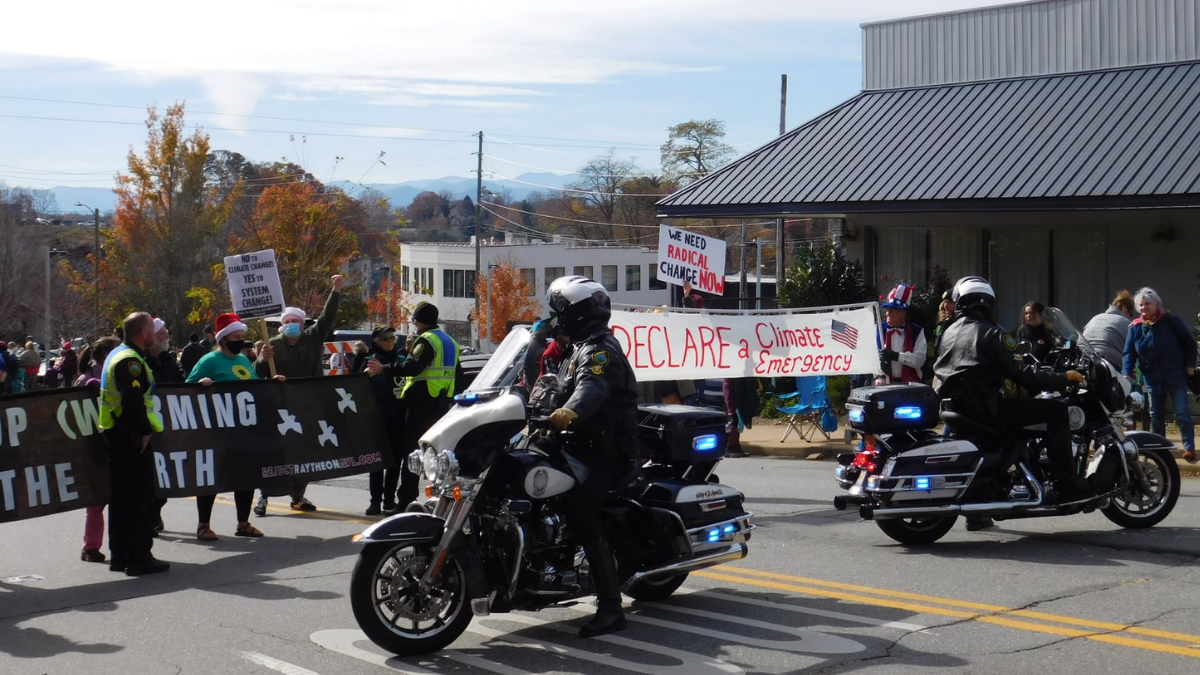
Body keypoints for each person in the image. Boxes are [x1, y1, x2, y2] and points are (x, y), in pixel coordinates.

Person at [934, 276, 1090, 531]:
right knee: (1056, 411)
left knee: (1019, 418)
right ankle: (1067, 483)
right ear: (986, 302)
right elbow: (1020, 372)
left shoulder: (948, 331)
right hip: (985, 409)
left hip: (955, 408)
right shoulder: (992, 332)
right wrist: (1063, 379)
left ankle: (980, 509)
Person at [542, 275, 639, 638]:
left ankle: (611, 608)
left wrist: (570, 412)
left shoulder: (599, 350)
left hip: (606, 452)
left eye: (560, 312)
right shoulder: (575, 347)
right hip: (580, 446)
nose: (556, 319)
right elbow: (550, 388)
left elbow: (591, 387)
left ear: (577, 314)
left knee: (583, 514)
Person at [253, 274, 344, 514]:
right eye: (288, 320)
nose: (292, 324)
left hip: (308, 405)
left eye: (297, 321)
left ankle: (298, 496)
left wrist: (335, 290)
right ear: (282, 324)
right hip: (280, 407)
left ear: (303, 325)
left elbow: (327, 318)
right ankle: (263, 496)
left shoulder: (313, 338)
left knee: (305, 453)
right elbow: (258, 373)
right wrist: (264, 358)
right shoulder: (271, 343)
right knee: (276, 453)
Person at [187, 313, 282, 539]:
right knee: (213, 477)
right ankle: (203, 524)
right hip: (218, 431)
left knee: (246, 475)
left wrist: (272, 383)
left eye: (242, 336)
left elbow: (253, 387)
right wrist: (201, 385)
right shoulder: (209, 361)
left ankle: (243, 523)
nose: (241, 341)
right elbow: (187, 388)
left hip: (245, 430)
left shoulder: (242, 360)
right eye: (236, 336)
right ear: (224, 339)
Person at [366, 301, 460, 514]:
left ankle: (406, 500)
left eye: (415, 320)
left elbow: (412, 367)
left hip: (421, 403)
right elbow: (459, 374)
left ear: (419, 320)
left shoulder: (426, 340)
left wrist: (384, 368)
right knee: (435, 453)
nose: (414, 325)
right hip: (441, 404)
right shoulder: (450, 342)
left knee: (413, 454)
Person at [97, 312, 169, 576]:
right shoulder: (130, 361)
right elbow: (134, 399)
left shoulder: (118, 354)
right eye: (152, 328)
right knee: (138, 497)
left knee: (121, 497)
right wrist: (144, 430)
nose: (156, 332)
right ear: (144, 333)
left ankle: (121, 555)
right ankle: (139, 557)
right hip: (128, 435)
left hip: (117, 433)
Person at [1123, 287, 1197, 463]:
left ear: (1156, 305)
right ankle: (1160, 449)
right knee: (1155, 414)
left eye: (1147, 304)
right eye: (1140, 305)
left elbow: (1189, 343)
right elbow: (1129, 352)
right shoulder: (1135, 328)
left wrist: (1190, 365)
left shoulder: (1171, 321)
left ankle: (1189, 448)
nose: (1143, 308)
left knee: (1182, 413)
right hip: (1152, 378)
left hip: (1175, 374)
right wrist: (1127, 372)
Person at [353, 326, 407, 515]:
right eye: (385, 338)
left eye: (393, 337)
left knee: (394, 461)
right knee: (377, 462)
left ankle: (389, 501)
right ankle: (375, 501)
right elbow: (355, 385)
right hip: (377, 418)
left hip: (398, 418)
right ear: (376, 341)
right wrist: (365, 375)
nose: (390, 341)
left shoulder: (402, 360)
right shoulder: (369, 361)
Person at [79, 336, 121, 563]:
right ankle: (91, 546)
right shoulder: (87, 379)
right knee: (96, 501)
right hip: (94, 448)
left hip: (115, 443)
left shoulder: (116, 375)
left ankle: (120, 544)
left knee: (119, 498)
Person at [147, 319, 184, 533]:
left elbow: (180, 385)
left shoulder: (167, 360)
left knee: (164, 474)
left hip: (170, 426)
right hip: (149, 427)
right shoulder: (140, 361)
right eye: (162, 332)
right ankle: (149, 517)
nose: (166, 335)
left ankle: (156, 511)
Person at [879, 284, 927, 384]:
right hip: (885, 385)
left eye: (893, 310)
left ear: (903, 313)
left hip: (911, 386)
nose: (888, 313)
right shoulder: (879, 329)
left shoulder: (917, 331)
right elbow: (870, 355)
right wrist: (878, 373)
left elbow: (920, 360)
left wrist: (897, 356)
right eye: (888, 309)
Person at [1082, 290, 1136, 371]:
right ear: (1126, 310)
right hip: (1109, 365)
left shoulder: (1095, 318)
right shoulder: (1126, 323)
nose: (1130, 317)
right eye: (1131, 314)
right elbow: (1136, 348)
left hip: (1084, 361)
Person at [522, 319, 552, 390]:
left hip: (542, 379)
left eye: (545, 332)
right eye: (542, 332)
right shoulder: (533, 345)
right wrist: (530, 384)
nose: (544, 334)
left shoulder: (543, 343)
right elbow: (527, 365)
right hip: (534, 380)